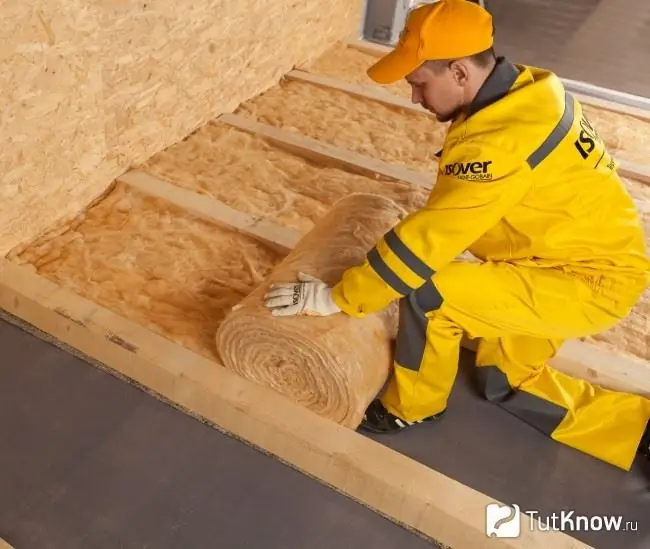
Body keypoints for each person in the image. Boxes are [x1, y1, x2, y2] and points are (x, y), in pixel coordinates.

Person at [263, 0, 650, 472]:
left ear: (461, 73)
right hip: (580, 256)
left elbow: (429, 239)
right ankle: (639, 430)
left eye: (420, 84)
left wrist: (340, 299)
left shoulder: (495, 145)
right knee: (501, 379)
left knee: (429, 294)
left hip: (581, 281)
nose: (414, 99)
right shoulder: (531, 88)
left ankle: (412, 409)